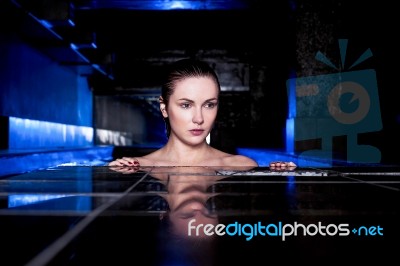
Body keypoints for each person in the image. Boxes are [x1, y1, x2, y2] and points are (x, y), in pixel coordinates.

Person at [108, 58, 296, 170]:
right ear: (164, 108)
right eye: (186, 105)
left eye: (209, 105)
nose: (199, 119)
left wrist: (289, 179)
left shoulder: (241, 165)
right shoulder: (136, 167)